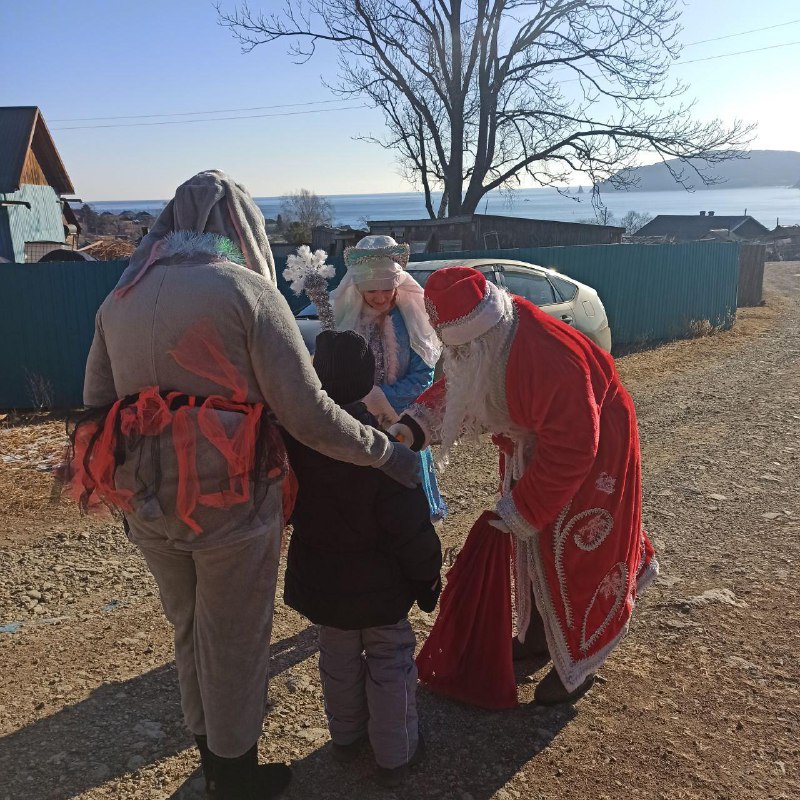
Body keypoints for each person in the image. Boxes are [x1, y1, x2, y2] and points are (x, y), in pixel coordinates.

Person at [73, 171, 420, 800]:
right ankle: (235, 776)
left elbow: (96, 409)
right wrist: (385, 455)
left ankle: (213, 756)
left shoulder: (119, 299)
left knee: (187, 628)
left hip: (149, 506)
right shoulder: (246, 294)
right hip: (230, 505)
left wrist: (125, 493)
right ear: (241, 226)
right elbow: (309, 414)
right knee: (232, 639)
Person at [392, 266, 659, 705]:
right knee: (532, 547)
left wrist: (522, 509)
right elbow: (463, 380)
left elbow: (574, 447)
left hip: (593, 448)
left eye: (461, 348)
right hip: (537, 444)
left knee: (575, 550)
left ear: (482, 329)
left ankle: (580, 660)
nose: (454, 356)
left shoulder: (550, 355)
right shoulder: (486, 339)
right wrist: (414, 427)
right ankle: (538, 635)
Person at [281, 329, 442, 788]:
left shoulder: (297, 445)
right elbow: (410, 527)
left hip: (324, 588)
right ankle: (397, 754)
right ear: (367, 381)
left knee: (337, 660)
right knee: (390, 661)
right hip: (383, 592)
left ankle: (346, 738)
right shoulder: (382, 453)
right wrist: (428, 580)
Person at [330, 235, 447, 521]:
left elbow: (423, 374)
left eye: (387, 289)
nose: (381, 297)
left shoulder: (410, 319)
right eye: (372, 291)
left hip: (402, 420)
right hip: (356, 424)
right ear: (358, 289)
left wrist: (380, 398)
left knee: (405, 503)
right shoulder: (348, 321)